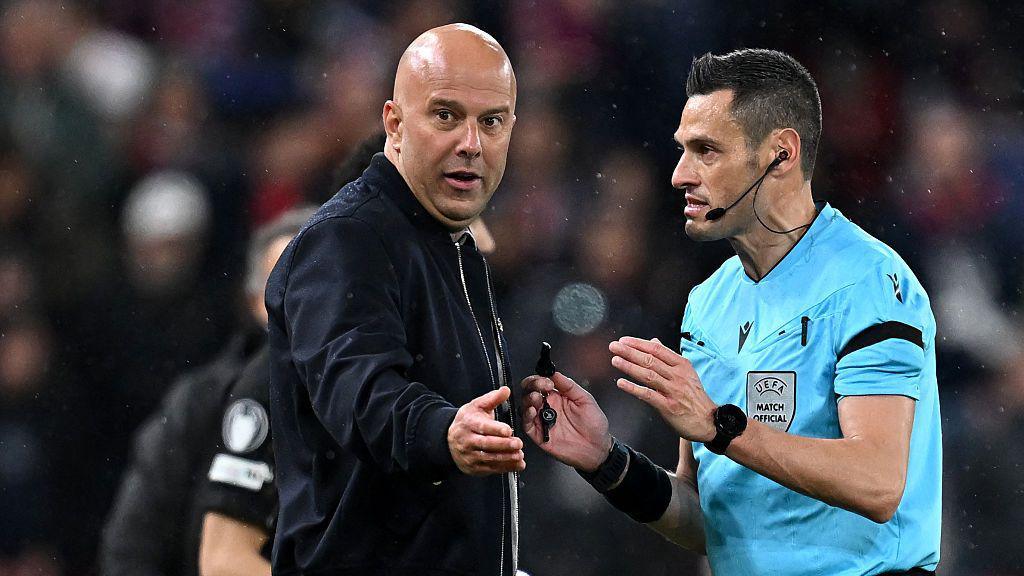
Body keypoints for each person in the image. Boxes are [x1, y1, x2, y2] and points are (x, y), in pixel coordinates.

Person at [522, 48, 941, 576]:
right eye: (683, 150)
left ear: (781, 155)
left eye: (706, 150)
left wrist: (720, 427)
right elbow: (709, 523)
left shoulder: (869, 284)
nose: (679, 175)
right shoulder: (707, 304)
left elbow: (877, 482)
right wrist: (607, 460)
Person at [266, 23, 523, 576]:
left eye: (492, 121)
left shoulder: (453, 248)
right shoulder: (348, 239)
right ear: (394, 124)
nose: (471, 144)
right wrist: (441, 431)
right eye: (446, 115)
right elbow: (360, 389)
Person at [99, 207, 313, 576]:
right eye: (281, 288)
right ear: (252, 301)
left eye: (316, 285)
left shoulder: (375, 389)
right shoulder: (202, 402)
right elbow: (135, 544)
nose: (298, 304)